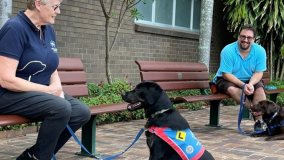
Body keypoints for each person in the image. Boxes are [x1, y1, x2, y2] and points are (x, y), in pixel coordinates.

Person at [0, 0, 91, 160]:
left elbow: (52, 67)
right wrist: (49, 91)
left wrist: (57, 87)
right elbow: (6, 80)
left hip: (38, 93)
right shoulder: (14, 28)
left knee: (81, 112)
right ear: (38, 4)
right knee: (60, 108)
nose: (58, 11)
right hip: (7, 94)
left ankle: (33, 156)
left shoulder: (48, 30)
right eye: (55, 7)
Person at [213, 24, 266, 131]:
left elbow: (258, 73)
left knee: (259, 89)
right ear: (238, 37)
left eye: (249, 38)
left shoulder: (260, 51)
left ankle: (259, 122)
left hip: (249, 79)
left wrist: (250, 84)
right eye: (243, 36)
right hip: (226, 79)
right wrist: (243, 85)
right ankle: (255, 111)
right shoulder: (228, 50)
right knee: (232, 89)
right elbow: (226, 74)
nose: (245, 40)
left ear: (254, 39)